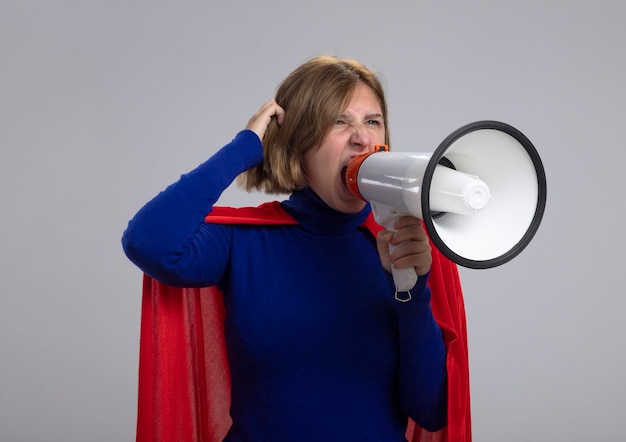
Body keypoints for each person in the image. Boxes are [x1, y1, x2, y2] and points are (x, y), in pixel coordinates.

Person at [122, 55, 470, 442]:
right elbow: (149, 242)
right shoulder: (245, 241)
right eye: (339, 121)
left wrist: (411, 289)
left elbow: (433, 411)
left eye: (372, 121)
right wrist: (245, 148)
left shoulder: (407, 243)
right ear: (298, 143)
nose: (362, 138)